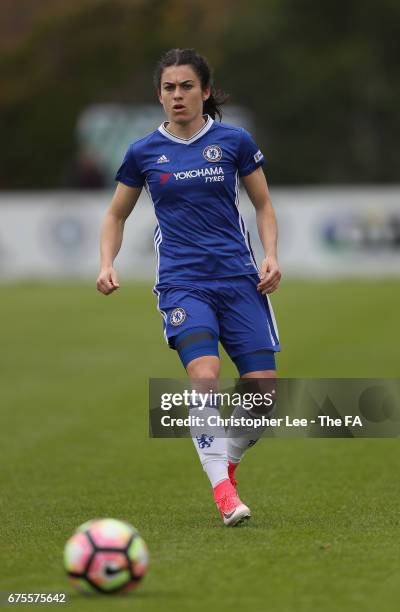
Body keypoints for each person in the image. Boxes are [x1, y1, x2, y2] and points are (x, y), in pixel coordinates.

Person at [96, 48, 281, 526]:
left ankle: (227, 464)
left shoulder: (234, 141)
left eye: (186, 87)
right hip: (183, 283)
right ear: (159, 95)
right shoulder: (143, 152)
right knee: (204, 375)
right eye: (168, 88)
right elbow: (116, 214)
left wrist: (272, 255)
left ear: (204, 91)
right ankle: (223, 492)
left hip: (240, 281)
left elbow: (262, 204)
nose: (177, 96)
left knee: (263, 396)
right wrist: (106, 262)